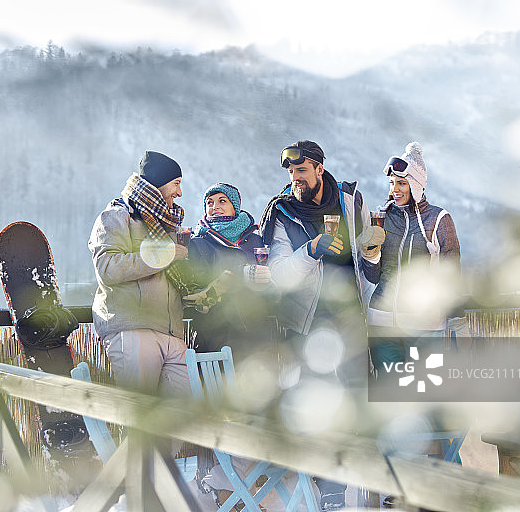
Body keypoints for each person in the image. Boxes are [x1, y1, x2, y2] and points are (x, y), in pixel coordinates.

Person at [259, 140, 372, 511]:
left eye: (302, 171)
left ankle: (368, 493)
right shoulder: (283, 212)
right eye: (291, 172)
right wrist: (309, 252)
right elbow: (277, 275)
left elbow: (368, 255)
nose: (295, 178)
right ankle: (332, 496)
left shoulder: (350, 201)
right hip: (306, 326)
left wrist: (373, 252)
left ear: (319, 169)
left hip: (350, 319)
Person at [88, 150, 192, 395]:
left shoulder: (166, 223)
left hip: (172, 333)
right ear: (158, 185)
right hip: (133, 329)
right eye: (176, 184)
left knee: (185, 423)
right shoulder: (116, 216)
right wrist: (163, 255)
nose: (180, 193)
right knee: (140, 422)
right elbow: (108, 268)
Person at [358, 141, 461, 380]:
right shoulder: (382, 218)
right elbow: (373, 276)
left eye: (402, 183)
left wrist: (456, 319)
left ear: (415, 185)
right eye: (392, 183)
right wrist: (370, 255)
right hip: (382, 323)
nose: (395, 189)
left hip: (423, 326)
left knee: (425, 394)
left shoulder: (438, 219)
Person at [183, 182, 275, 356]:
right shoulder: (198, 242)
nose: (215, 207)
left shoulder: (255, 240)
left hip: (257, 330)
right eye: (210, 203)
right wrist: (241, 273)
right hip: (215, 332)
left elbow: (269, 281)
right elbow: (198, 286)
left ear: (235, 206)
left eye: (222, 201)